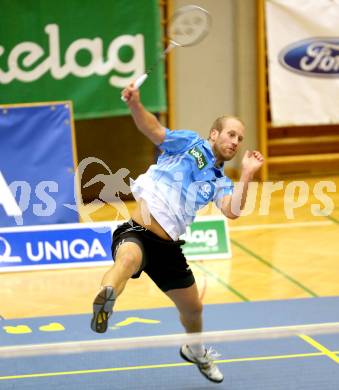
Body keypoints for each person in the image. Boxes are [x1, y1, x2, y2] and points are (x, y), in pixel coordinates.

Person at [91, 83, 264, 384]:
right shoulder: (188, 143)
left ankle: (195, 349)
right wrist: (135, 104)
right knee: (126, 261)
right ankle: (104, 300)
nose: (235, 142)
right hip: (137, 231)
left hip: (168, 248)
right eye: (230, 134)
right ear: (214, 134)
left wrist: (247, 174)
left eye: (240, 139)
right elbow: (154, 129)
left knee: (193, 309)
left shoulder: (220, 180)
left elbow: (232, 210)